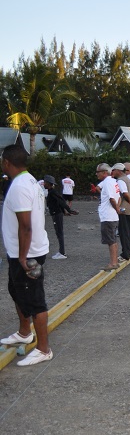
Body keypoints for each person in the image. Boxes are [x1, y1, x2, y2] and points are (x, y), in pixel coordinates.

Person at [0, 145, 53, 365]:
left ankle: (43, 348)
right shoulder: (30, 180)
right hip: (20, 252)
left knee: (34, 300)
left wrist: (22, 257)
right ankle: (24, 333)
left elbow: (25, 226)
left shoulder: (20, 185)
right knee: (17, 291)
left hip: (27, 253)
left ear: (6, 163)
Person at [43, 175, 78, 259]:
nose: (43, 184)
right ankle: (61, 252)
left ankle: (62, 253)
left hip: (56, 214)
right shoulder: (51, 191)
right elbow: (59, 202)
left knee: (59, 233)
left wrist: (68, 210)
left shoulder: (52, 192)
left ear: (48, 183)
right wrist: (64, 212)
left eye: (45, 182)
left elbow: (61, 202)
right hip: (57, 213)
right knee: (59, 232)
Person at [95, 162, 121, 270]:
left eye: (98, 172)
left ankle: (113, 263)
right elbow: (119, 197)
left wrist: (116, 209)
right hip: (112, 215)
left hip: (108, 216)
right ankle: (114, 261)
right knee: (113, 239)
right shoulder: (113, 181)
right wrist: (117, 209)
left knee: (110, 240)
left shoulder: (107, 182)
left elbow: (112, 199)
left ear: (105, 172)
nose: (96, 174)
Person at [111, 163, 130, 261]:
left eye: (114, 170)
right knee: (127, 231)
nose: (112, 172)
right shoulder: (128, 179)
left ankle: (126, 253)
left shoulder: (120, 181)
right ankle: (129, 250)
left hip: (123, 208)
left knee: (123, 232)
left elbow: (125, 193)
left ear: (119, 171)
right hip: (128, 209)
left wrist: (129, 201)